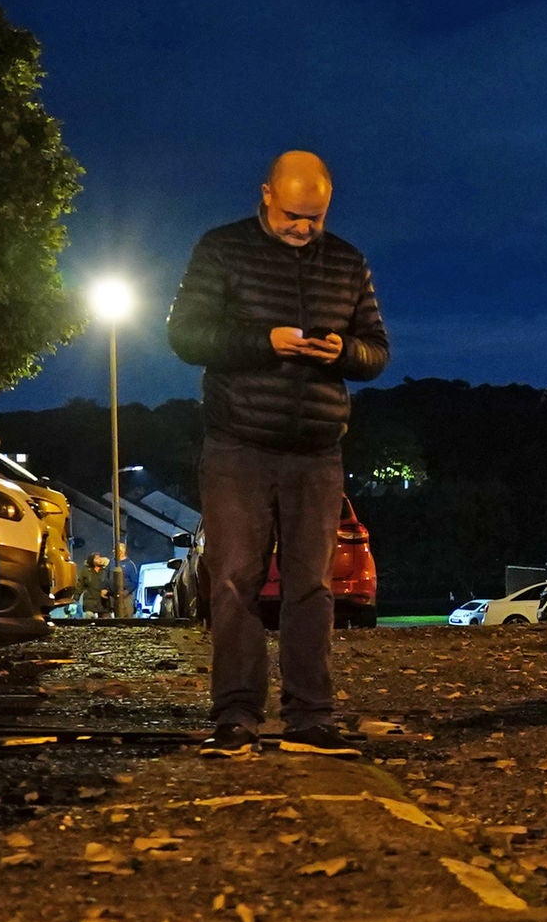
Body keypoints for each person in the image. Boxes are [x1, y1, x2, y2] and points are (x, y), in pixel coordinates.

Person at [164, 149, 391, 746]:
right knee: (235, 578)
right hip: (238, 442)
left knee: (311, 585)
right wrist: (263, 341)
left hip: (317, 448)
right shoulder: (221, 248)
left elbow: (377, 351)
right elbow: (184, 335)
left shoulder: (347, 262)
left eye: (314, 218)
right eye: (293, 214)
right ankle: (236, 712)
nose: (302, 228)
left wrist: (341, 350)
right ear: (266, 194)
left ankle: (311, 714)